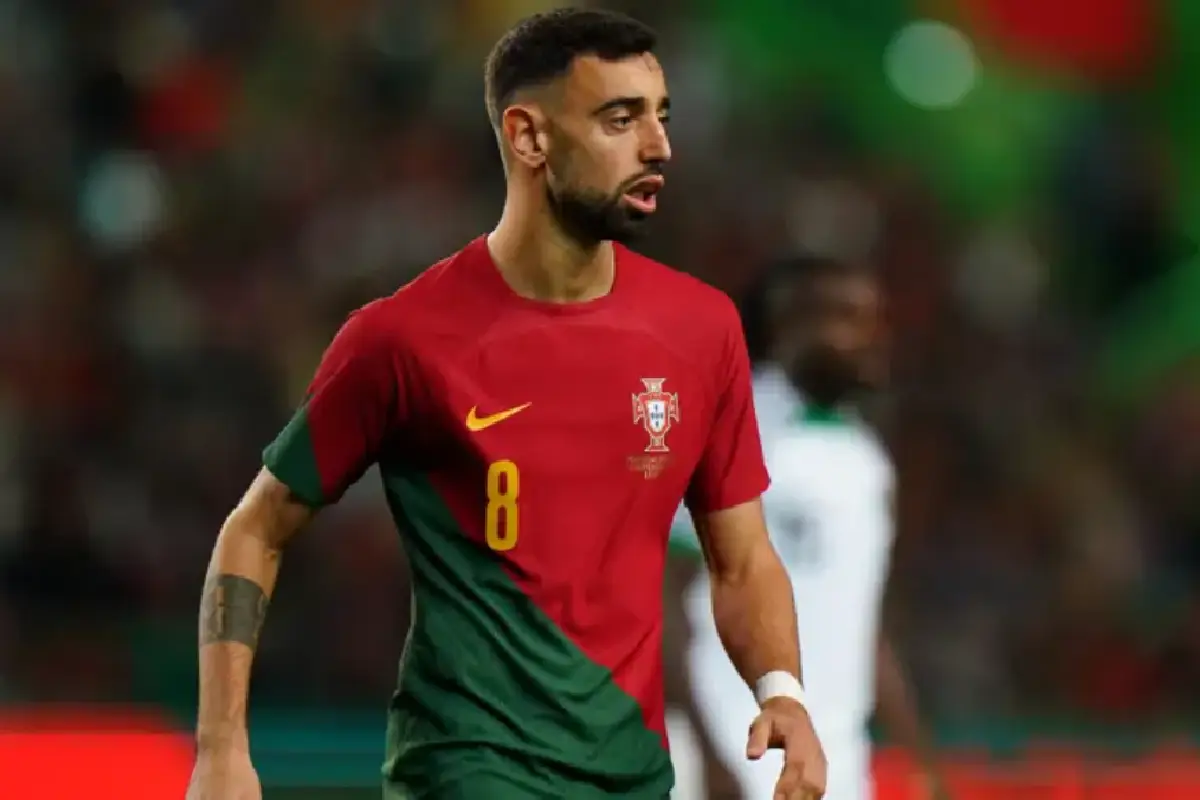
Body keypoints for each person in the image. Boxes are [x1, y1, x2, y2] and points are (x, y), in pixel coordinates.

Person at [186, 9, 827, 800]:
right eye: (619, 119)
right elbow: (256, 528)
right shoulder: (404, 338)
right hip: (467, 770)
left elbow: (744, 558)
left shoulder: (701, 330)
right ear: (528, 138)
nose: (657, 146)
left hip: (633, 777)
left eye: (661, 117)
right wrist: (221, 749)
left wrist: (783, 694)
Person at [671, 255, 945, 800]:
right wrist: (706, 753)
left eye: (873, 319)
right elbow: (663, 603)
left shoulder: (863, 460)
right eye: (843, 316)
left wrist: (923, 763)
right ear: (785, 325)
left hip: (835, 772)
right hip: (730, 764)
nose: (866, 335)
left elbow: (859, 624)